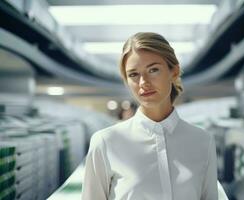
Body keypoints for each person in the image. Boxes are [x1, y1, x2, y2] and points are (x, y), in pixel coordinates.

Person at [82, 32, 218, 200]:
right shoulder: (105, 142)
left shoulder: (203, 142)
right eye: (133, 74)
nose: (143, 83)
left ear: (174, 72)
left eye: (153, 70)